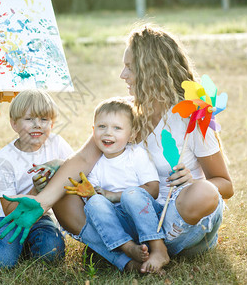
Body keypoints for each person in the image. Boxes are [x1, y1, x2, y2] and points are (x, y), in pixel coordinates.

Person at [0, 24, 233, 273]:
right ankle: (129, 255)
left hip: (179, 221)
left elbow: (225, 185)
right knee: (65, 193)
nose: (122, 74)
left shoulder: (193, 114)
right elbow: (84, 159)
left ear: (150, 69)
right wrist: (41, 202)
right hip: (138, 214)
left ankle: (141, 247)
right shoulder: (126, 113)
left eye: (129, 67)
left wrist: (193, 180)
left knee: (202, 192)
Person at [0, 89, 73, 268]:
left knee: (52, 254)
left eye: (44, 119)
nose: (37, 125)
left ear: (52, 123)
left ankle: (26, 245)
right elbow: (9, 210)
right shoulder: (5, 159)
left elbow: (74, 168)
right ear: (14, 124)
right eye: (29, 119)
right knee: (2, 260)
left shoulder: (56, 144)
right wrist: (36, 190)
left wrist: (58, 162)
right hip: (9, 219)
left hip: (41, 216)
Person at [63, 97, 170, 273]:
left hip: (145, 218)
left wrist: (115, 195)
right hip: (118, 226)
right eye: (101, 127)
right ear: (93, 130)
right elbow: (97, 201)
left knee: (131, 194)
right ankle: (128, 248)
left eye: (117, 128)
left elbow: (153, 189)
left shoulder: (137, 155)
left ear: (132, 134)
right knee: (94, 203)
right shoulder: (96, 163)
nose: (107, 133)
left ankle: (157, 247)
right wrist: (89, 193)